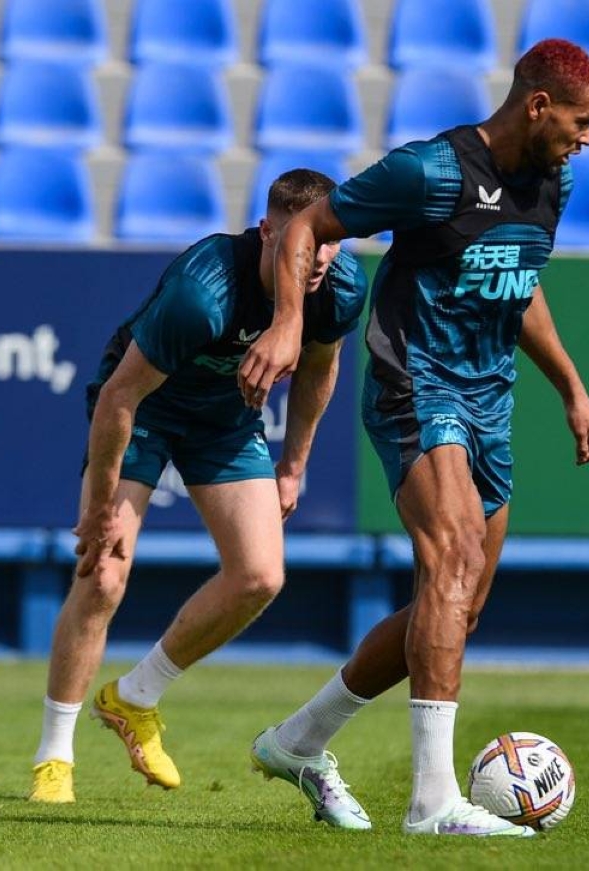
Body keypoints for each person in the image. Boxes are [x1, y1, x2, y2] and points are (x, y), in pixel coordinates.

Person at [248, 39, 589, 838]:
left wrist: (573, 391)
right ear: (538, 106)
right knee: (454, 560)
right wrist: (287, 323)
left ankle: (298, 740)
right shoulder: (432, 172)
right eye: (582, 122)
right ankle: (433, 803)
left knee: (456, 603)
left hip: (489, 399)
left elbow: (519, 282)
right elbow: (308, 226)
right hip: (415, 385)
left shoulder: (553, 182)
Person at [28, 169, 369, 805]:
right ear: (267, 233)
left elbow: (321, 368)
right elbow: (119, 398)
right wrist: (99, 508)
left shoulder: (341, 287)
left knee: (260, 576)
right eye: (306, 241)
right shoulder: (203, 291)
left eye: (330, 240)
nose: (320, 256)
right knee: (102, 575)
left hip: (225, 421)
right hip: (145, 410)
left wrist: (293, 465)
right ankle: (54, 756)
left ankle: (135, 697)